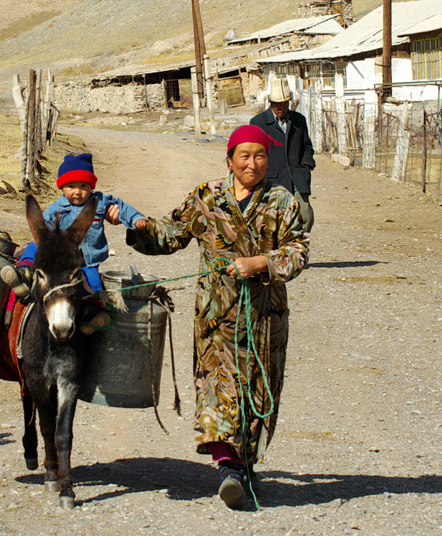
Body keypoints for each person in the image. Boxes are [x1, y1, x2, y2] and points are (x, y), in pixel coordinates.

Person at [124, 125, 310, 509]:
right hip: (215, 315)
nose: (253, 164)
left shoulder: (281, 202)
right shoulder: (206, 197)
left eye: (260, 156)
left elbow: (298, 251)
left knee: (259, 390)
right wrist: (137, 226)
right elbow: (170, 234)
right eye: (244, 156)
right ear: (229, 160)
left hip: (264, 316)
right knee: (216, 384)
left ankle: (244, 464)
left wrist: (261, 262)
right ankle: (227, 467)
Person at [1, 153, 147, 333]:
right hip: (61, 261)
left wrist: (136, 219)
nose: (77, 191)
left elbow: (122, 207)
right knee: (34, 246)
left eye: (83, 186)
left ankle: (91, 319)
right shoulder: (56, 208)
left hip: (87, 263)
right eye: (71, 186)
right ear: (62, 187)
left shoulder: (99, 203)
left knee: (93, 287)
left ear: (91, 187)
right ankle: (23, 272)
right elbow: (42, 228)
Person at [250, 77, 316, 233]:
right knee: (274, 221)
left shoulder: (299, 120)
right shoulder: (258, 123)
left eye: (284, 103)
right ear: (270, 103)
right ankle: (279, 253)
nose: (281, 107)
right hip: (272, 180)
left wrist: (306, 165)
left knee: (305, 216)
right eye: (277, 104)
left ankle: (296, 247)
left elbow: (307, 146)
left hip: (297, 177)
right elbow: (253, 152)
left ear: (289, 102)